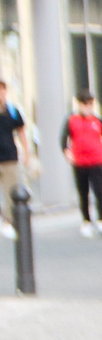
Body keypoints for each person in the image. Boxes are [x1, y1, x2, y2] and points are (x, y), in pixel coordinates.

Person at [63, 92, 102, 237]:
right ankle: (86, 221)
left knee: (99, 191)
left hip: (97, 161)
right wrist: (66, 151)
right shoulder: (71, 120)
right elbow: (63, 138)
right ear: (79, 105)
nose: (88, 107)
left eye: (90, 104)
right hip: (80, 162)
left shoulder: (98, 121)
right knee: (83, 192)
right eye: (84, 104)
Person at [0, 81, 30, 240]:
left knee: (10, 191)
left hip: (9, 157)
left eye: (2, 90)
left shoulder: (13, 111)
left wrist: (26, 152)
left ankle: (8, 222)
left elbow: (21, 131)